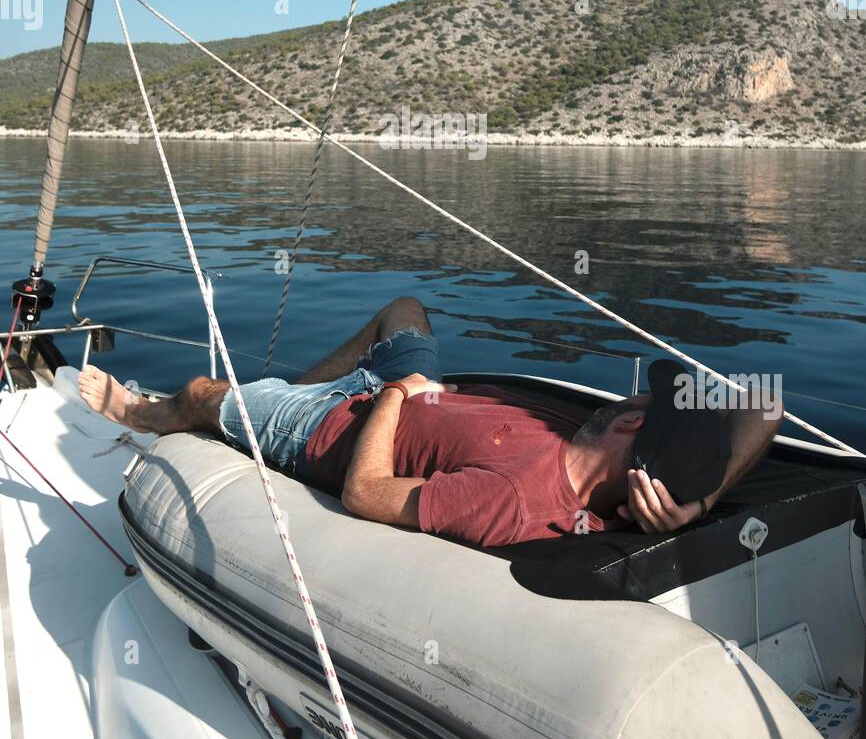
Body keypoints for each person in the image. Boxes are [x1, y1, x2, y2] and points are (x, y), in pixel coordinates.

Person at [78, 294, 779, 549]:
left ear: (628, 430)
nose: (624, 399)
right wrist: (696, 499)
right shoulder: (586, 446)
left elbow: (366, 494)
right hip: (411, 394)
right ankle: (277, 393)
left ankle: (146, 414)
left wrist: (392, 399)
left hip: (334, 427)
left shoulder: (513, 500)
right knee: (405, 311)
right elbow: (766, 408)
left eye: (637, 404)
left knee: (203, 391)